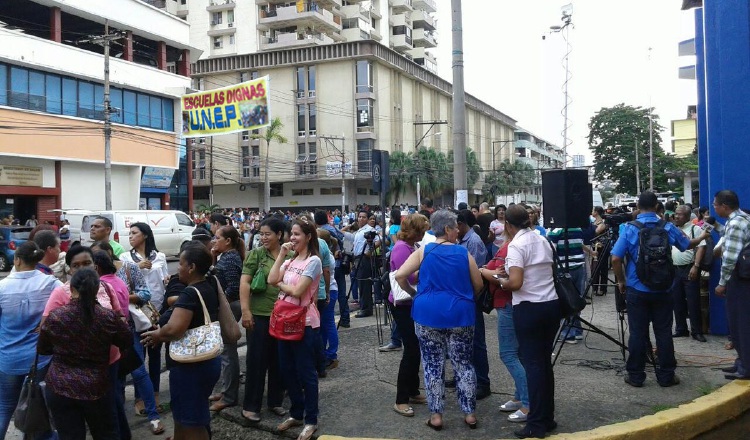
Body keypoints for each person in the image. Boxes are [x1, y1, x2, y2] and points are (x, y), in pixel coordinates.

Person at [395, 210, 483, 431]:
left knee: (432, 365)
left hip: (427, 314)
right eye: (455, 227)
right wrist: (465, 296)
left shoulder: (424, 251)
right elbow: (479, 284)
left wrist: (416, 295)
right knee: (463, 364)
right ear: (447, 229)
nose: (457, 231)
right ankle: (469, 413)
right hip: (460, 314)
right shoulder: (463, 254)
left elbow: (399, 276)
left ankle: (436, 415)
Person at [612, 191, 709, 388]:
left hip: (637, 289)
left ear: (638, 207)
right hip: (664, 289)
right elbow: (686, 245)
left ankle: (636, 376)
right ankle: (666, 376)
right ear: (657, 207)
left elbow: (615, 258)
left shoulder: (630, 229)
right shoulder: (667, 227)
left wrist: (621, 281)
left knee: (638, 333)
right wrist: (702, 237)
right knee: (663, 332)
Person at [141, 244, 222, 440]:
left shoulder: (190, 293)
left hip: (191, 366)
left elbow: (175, 329)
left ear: (192, 267)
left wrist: (157, 335)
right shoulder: (209, 284)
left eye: (181, 264)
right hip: (206, 362)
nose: (178, 268)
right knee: (191, 415)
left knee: (192, 421)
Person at [40, 268, 131, 439]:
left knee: (70, 436)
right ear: (97, 289)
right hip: (96, 387)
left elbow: (42, 349)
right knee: (106, 434)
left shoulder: (56, 316)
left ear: (72, 289)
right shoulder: (107, 317)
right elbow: (126, 340)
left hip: (59, 386)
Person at [494, 204, 559, 438]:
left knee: (533, 366)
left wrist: (500, 280)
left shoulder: (516, 246)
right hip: (550, 305)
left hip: (529, 308)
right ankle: (546, 417)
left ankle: (536, 424)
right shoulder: (542, 240)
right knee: (543, 365)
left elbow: (516, 283)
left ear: (508, 225)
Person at [90, 241, 164, 433]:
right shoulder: (90, 278)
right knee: (117, 380)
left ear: (108, 253)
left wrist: (122, 296)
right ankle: (119, 419)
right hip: (105, 336)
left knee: (138, 371)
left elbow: (145, 293)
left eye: (96, 257)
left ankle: (153, 415)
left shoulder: (129, 269)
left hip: (130, 329)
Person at [268, 218, 323, 440]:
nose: (293, 238)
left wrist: (282, 286)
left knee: (306, 372)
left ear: (309, 237)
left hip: (305, 322)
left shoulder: (314, 261)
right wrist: (281, 254)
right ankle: (297, 413)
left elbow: (299, 291)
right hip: (284, 322)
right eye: (291, 234)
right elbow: (271, 278)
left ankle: (311, 419)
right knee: (287, 370)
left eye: (297, 234)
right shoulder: (289, 261)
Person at [0, 242, 62, 439]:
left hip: (8, 358)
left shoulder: (2, 287)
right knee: (38, 407)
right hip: (39, 359)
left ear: (17, 260)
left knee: (4, 407)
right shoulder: (51, 283)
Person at [240, 217, 291, 423]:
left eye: (267, 234)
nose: (263, 237)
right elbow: (245, 282)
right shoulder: (255, 255)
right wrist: (245, 311)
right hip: (259, 316)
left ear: (279, 235)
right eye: (261, 234)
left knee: (279, 360)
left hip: (283, 316)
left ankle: (275, 402)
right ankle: (251, 406)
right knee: (256, 361)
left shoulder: (291, 256)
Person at [479, 229, 529, 423]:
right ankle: (520, 397)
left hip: (507, 303)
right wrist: (488, 271)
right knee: (518, 354)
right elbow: (493, 270)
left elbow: (497, 274)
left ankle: (528, 402)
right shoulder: (520, 244)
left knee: (508, 354)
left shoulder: (512, 247)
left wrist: (484, 271)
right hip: (513, 303)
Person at [119, 222, 170, 410]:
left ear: (145, 235)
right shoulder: (125, 257)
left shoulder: (161, 257)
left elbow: (164, 281)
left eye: (134, 233)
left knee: (156, 354)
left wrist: (167, 280)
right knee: (138, 357)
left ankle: (155, 393)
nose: (130, 236)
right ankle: (140, 397)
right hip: (136, 313)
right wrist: (137, 267)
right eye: (129, 233)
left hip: (156, 311)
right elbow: (121, 285)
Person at [389, 214, 429, 418]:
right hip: (402, 303)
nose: (424, 233)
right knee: (411, 350)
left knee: (415, 348)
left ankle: (412, 391)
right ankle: (401, 399)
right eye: (422, 230)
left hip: (409, 303)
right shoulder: (402, 248)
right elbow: (407, 275)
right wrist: (427, 268)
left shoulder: (410, 246)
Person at [712, 190, 750, 379]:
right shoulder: (742, 218)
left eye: (715, 204)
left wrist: (722, 283)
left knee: (740, 324)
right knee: (738, 322)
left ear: (725, 206)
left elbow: (730, 259)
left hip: (739, 280)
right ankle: (741, 362)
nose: (714, 207)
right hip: (743, 278)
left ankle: (746, 368)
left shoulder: (735, 224)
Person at [455, 209, 491, 399]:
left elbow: (476, 274)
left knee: (477, 341)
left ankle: (483, 382)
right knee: (461, 340)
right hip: (461, 297)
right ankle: (461, 375)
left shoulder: (473, 242)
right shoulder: (460, 241)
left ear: (461, 224)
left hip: (471, 297)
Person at [209, 225, 245, 412]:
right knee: (225, 350)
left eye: (217, 238)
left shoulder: (231, 259)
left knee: (228, 353)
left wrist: (222, 305)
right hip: (227, 306)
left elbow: (233, 287)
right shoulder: (226, 256)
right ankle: (225, 391)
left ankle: (230, 396)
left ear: (228, 241)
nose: (214, 241)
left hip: (229, 307)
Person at [670, 205, 707, 342]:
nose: (676, 217)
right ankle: (681, 329)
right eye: (676, 214)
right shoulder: (673, 230)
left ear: (687, 216)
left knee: (693, 301)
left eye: (680, 214)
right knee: (677, 300)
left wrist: (696, 266)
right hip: (675, 270)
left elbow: (701, 247)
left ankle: (697, 331)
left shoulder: (695, 229)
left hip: (689, 268)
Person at [548, 225, 589, 344]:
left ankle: (567, 333)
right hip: (579, 267)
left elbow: (551, 251)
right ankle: (577, 330)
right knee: (576, 299)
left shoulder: (556, 231)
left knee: (565, 300)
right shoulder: (578, 229)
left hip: (564, 269)